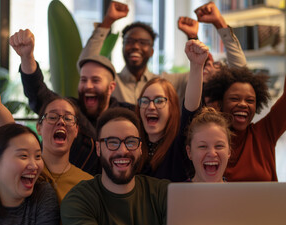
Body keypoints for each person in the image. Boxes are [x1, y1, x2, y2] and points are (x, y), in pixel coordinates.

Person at [0, 31, 93, 204]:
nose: (61, 121)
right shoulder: (25, 167)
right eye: (52, 116)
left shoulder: (88, 184)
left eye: (68, 117)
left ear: (77, 129)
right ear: (39, 126)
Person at [12, 29, 134, 175]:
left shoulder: (129, 115)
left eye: (95, 80)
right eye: (83, 80)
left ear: (111, 87)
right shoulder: (68, 109)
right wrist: (27, 57)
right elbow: (37, 91)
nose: (88, 86)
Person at [79, 1, 247, 104]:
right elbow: (86, 64)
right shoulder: (111, 83)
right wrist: (107, 22)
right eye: (129, 41)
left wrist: (218, 24)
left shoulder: (168, 83)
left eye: (143, 43)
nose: (136, 46)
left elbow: (238, 74)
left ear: (152, 51)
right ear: (122, 47)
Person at [60, 107, 169, 225]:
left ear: (140, 148)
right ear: (99, 148)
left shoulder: (164, 194)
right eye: (112, 142)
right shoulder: (79, 200)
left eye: (130, 142)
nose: (122, 151)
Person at [136, 39, 209, 181]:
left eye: (159, 101)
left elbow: (191, 109)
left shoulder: (180, 144)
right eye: (145, 101)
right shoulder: (133, 144)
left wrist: (196, 65)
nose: (151, 107)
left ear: (172, 108)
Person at [204, 66, 286, 181]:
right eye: (234, 99)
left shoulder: (265, 133)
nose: (243, 104)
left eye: (250, 100)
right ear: (220, 103)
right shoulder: (207, 139)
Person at [177, 1, 247, 103]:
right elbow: (201, 61)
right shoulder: (191, 100)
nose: (209, 63)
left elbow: (241, 73)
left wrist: (219, 22)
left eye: (216, 66)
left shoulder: (227, 106)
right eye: (213, 64)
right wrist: (193, 36)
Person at [185, 107, 233, 182]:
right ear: (189, 152)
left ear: (229, 151)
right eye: (202, 146)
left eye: (219, 146)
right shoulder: (175, 193)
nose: (212, 153)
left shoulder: (238, 193)